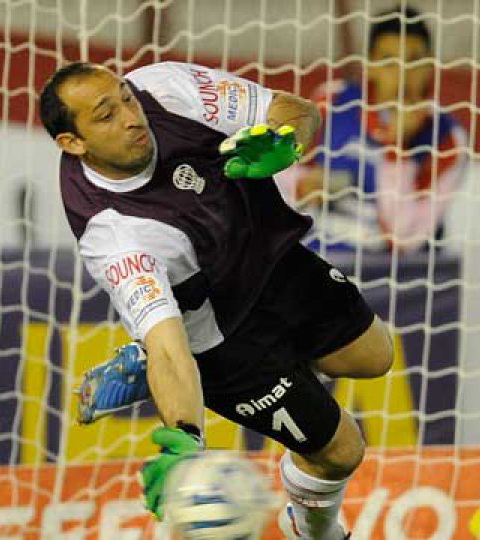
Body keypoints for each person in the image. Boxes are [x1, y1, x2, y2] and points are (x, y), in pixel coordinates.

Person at [39, 60, 395, 539]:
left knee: (376, 356)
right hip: (220, 339)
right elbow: (171, 345)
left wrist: (286, 139)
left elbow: (297, 110)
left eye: (125, 96)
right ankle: (313, 530)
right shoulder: (114, 234)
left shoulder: (166, 88)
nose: (130, 116)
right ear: (73, 143)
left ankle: (146, 364)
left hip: (274, 261)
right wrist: (185, 442)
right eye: (106, 115)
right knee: (342, 449)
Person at [275, 5, 467, 253]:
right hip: (317, 261)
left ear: (430, 65)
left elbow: (404, 238)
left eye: (413, 61)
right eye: (389, 62)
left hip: (394, 277)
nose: (402, 75)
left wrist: (398, 147)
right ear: (370, 65)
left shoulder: (447, 138)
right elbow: (278, 175)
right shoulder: (332, 101)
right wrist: (303, 184)